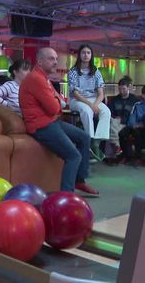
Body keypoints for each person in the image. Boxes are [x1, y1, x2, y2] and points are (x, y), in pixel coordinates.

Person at [19, 48, 99, 196]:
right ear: (40, 61)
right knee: (73, 156)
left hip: (51, 121)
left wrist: (57, 99)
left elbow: (63, 102)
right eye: (51, 59)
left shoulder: (44, 78)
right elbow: (54, 107)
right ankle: (66, 196)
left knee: (84, 137)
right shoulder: (36, 79)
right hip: (41, 126)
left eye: (56, 58)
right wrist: (57, 99)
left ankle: (79, 181)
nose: (55, 62)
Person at [67, 45, 111, 161]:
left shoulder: (96, 71)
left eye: (88, 53)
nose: (86, 55)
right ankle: (89, 139)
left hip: (93, 99)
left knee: (106, 111)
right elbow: (75, 93)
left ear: (91, 55)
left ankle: (96, 143)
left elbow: (101, 93)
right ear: (79, 55)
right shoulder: (73, 71)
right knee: (87, 111)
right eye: (83, 53)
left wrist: (95, 105)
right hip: (77, 100)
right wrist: (91, 106)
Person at [118, 85, 145, 166]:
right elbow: (132, 116)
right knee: (122, 133)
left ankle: (138, 158)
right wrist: (133, 125)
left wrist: (142, 125)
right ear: (143, 95)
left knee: (137, 133)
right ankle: (126, 156)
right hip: (135, 125)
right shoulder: (137, 105)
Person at [107, 76, 138, 162]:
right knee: (112, 123)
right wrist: (114, 117)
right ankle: (118, 148)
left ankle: (118, 148)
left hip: (127, 123)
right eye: (120, 89)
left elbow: (135, 114)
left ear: (128, 88)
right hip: (116, 121)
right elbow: (110, 112)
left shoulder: (134, 100)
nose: (121, 91)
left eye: (124, 89)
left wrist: (124, 119)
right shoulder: (114, 100)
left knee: (113, 126)